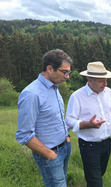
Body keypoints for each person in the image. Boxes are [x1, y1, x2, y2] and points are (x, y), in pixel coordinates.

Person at [65, 61, 111, 187]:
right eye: (102, 81)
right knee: (96, 182)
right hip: (89, 146)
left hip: (107, 143)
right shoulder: (77, 96)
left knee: (97, 177)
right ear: (90, 80)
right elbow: (69, 120)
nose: (105, 84)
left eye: (106, 80)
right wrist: (88, 124)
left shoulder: (108, 92)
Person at [16, 49, 73, 187]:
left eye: (68, 73)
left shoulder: (55, 87)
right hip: (50, 155)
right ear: (49, 69)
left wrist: (66, 138)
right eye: (64, 72)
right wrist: (50, 155)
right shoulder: (31, 94)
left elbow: (54, 119)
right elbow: (24, 135)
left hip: (64, 147)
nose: (67, 77)